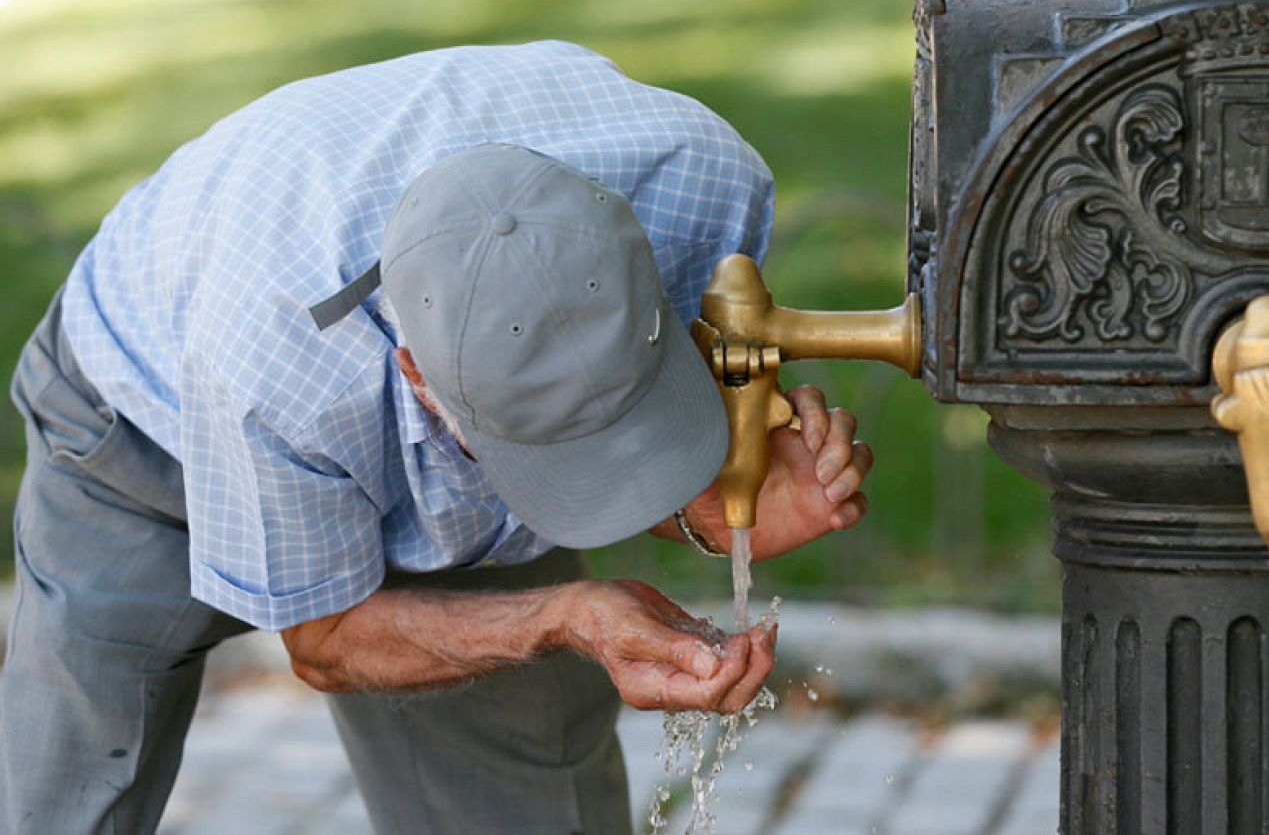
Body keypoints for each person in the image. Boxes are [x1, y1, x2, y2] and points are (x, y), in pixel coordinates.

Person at [0, 42, 874, 834]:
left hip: (329, 362)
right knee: (74, 798)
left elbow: (628, 386)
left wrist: (713, 494)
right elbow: (327, 638)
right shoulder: (280, 371)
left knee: (532, 802)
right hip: (139, 439)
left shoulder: (698, 185)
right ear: (419, 376)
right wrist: (561, 616)